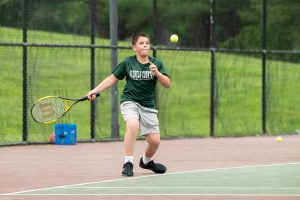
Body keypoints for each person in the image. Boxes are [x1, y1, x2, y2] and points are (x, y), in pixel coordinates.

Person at [86, 32, 171, 176]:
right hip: (129, 101)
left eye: (147, 43)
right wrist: (95, 90)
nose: (145, 45)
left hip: (148, 104)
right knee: (132, 125)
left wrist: (158, 74)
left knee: (155, 142)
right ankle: (128, 163)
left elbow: (167, 84)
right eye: (141, 43)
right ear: (134, 47)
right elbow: (112, 78)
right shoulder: (127, 63)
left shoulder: (156, 64)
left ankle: (146, 162)